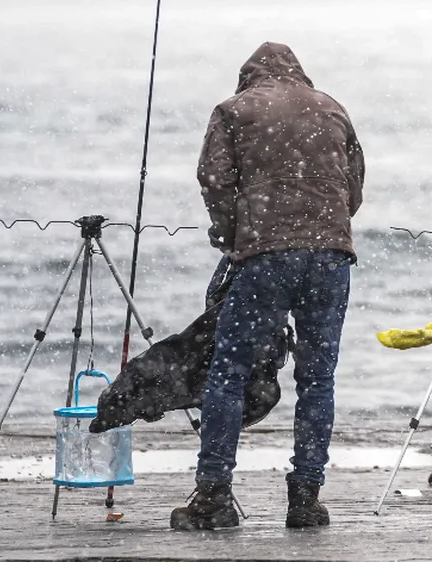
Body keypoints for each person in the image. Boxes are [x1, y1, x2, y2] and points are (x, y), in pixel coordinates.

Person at [171, 42, 365, 531]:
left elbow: (214, 178)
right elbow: (354, 187)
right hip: (330, 256)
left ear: (248, 77)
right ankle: (305, 499)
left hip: (265, 257)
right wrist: (322, 227)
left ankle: (214, 497)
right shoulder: (331, 107)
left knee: (228, 373)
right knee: (318, 378)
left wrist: (231, 234)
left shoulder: (234, 110)